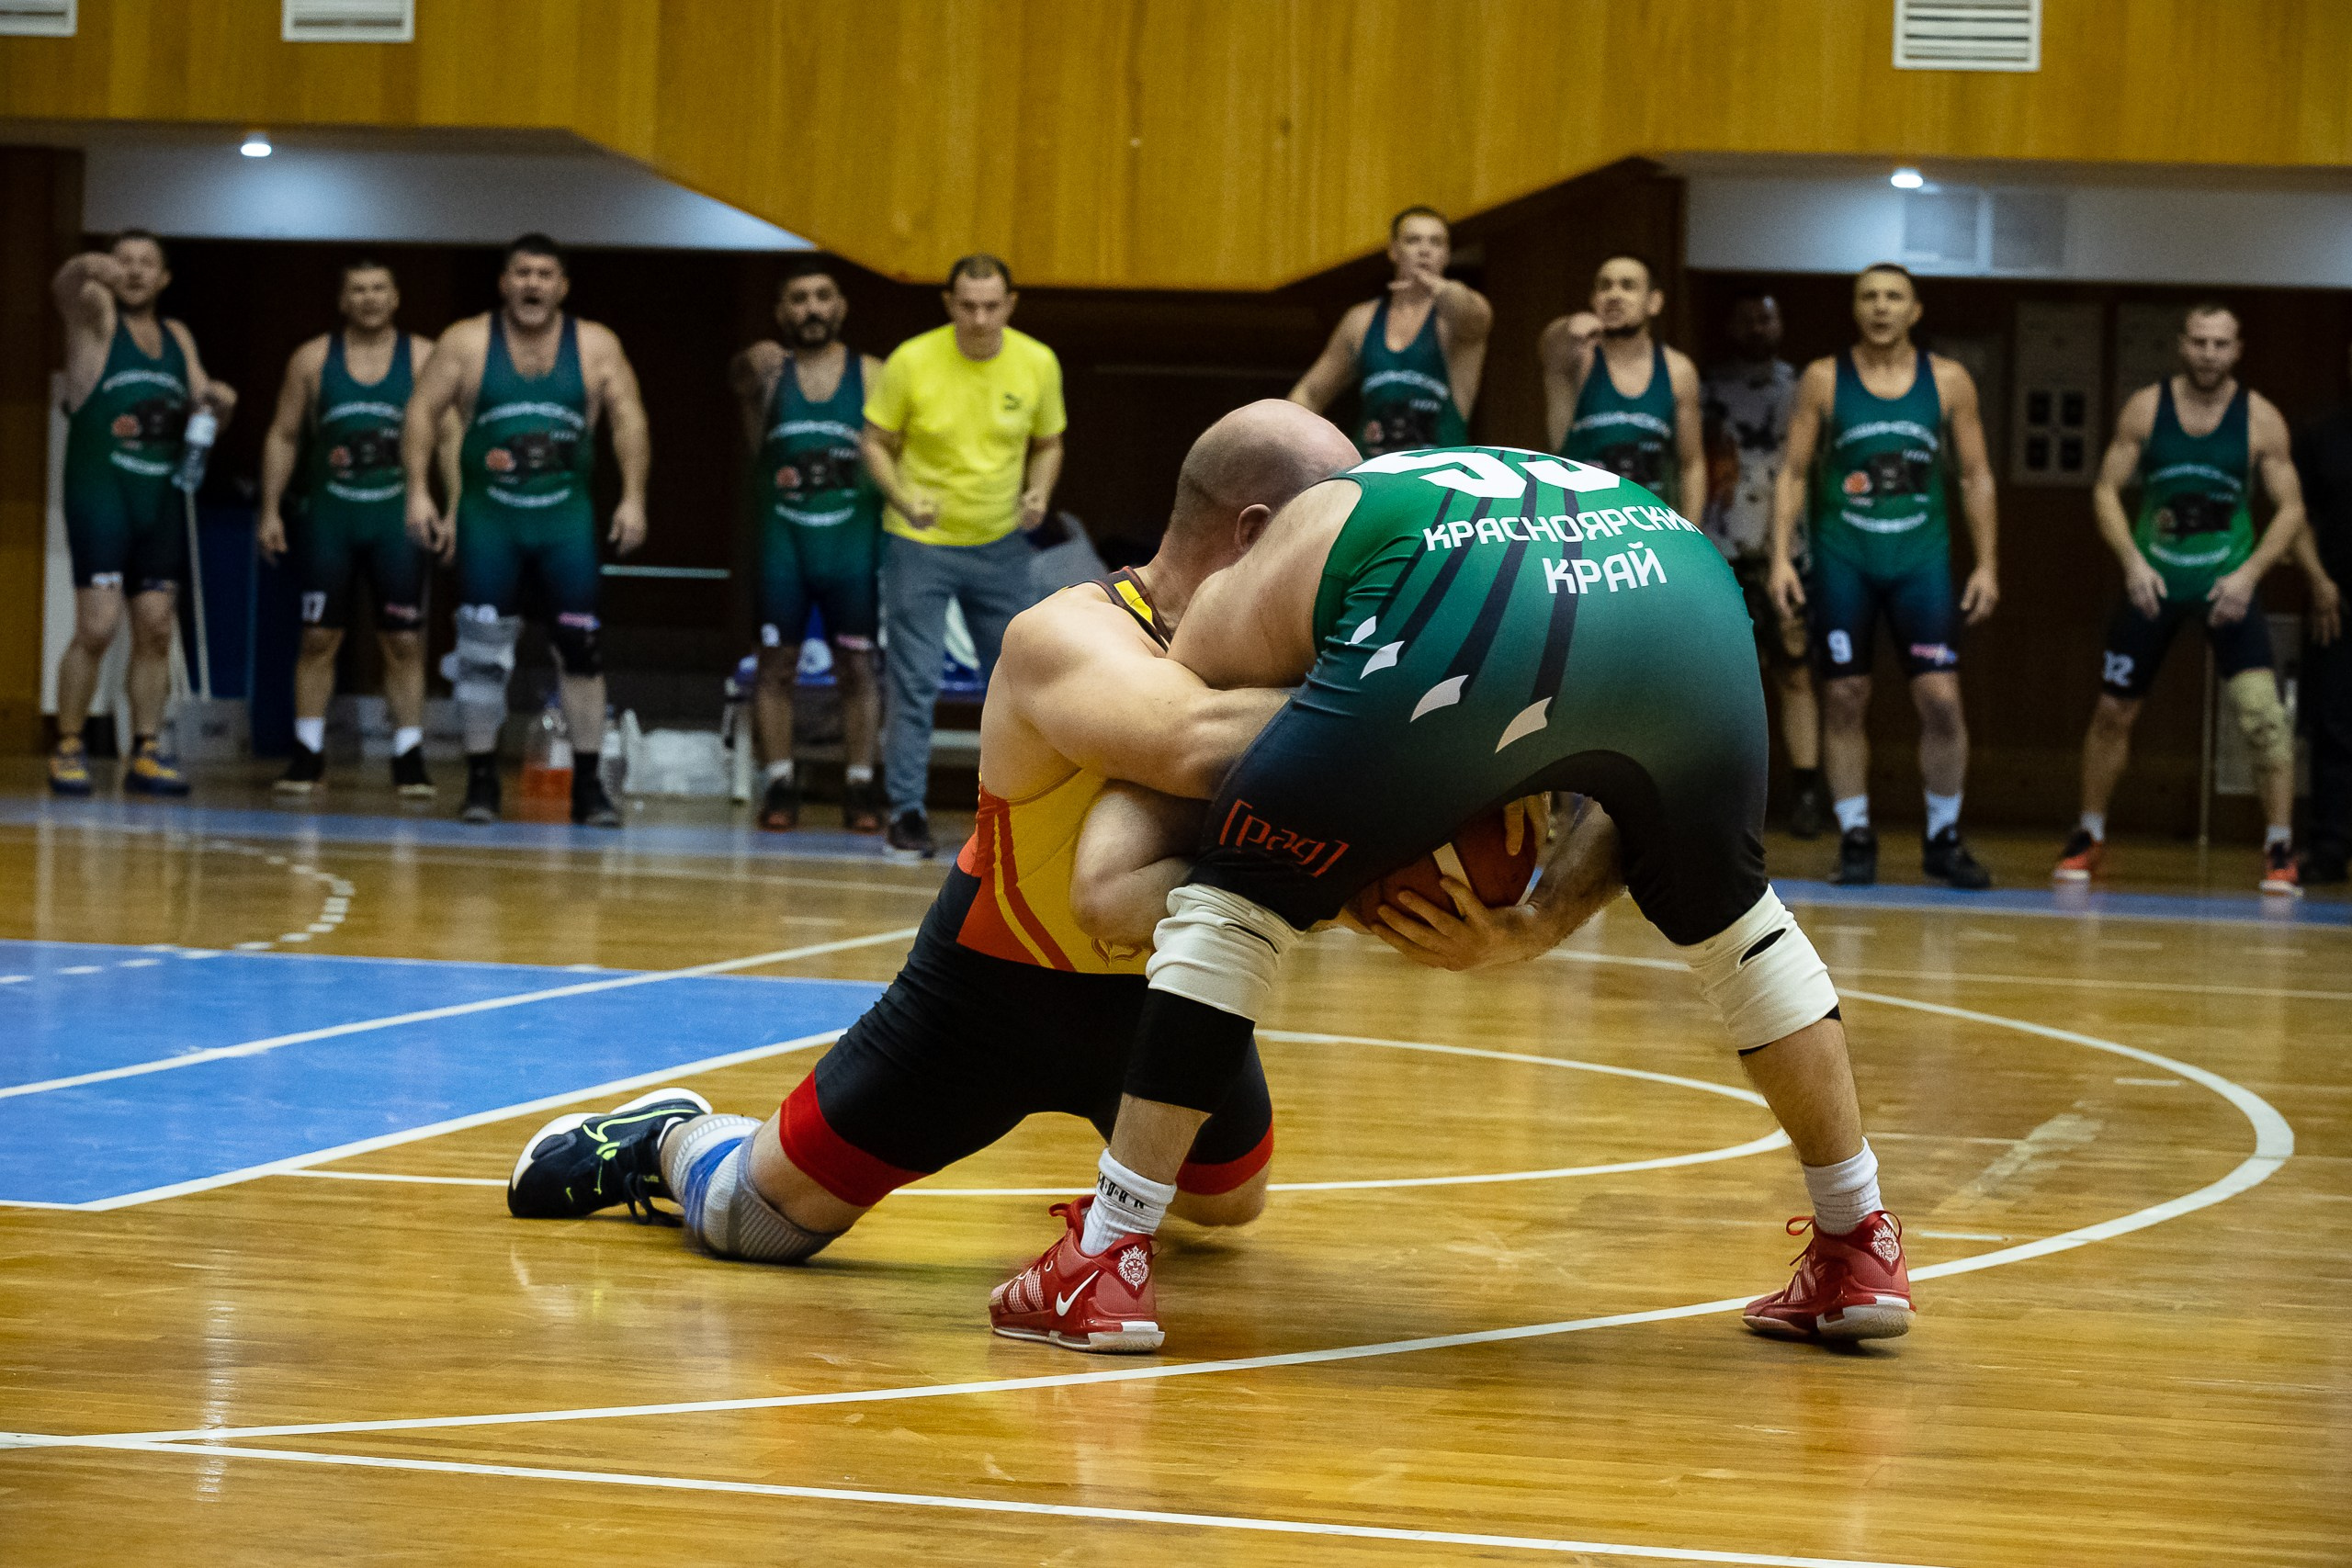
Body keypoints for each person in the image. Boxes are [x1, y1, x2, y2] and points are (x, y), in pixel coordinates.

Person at [995, 442, 1915, 1355]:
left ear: (1251, 532)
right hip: (1685, 586)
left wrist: (1333, 866)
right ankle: (1858, 1238)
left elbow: (1115, 882)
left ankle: (1108, 1255)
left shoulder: (1254, 577)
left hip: (1463, 605)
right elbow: (1628, 777)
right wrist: (1541, 917)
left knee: (1235, 896)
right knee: (1734, 918)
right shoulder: (1427, 487)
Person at [504, 403, 1366, 1317]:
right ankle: (667, 1138)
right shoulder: (1067, 635)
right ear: (1260, 533)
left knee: (1229, 1202)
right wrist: (1398, 701)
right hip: (993, 996)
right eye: (1338, 533)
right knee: (751, 1223)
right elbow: (1188, 740)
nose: (1356, 568)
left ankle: (1118, 1208)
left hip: (1168, 987)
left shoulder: (1297, 665)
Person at [2054, 305, 2312, 894]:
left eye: (2220, 344)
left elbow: (2292, 508)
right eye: (2198, 342)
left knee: (2264, 719)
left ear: (2237, 349)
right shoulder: (2147, 409)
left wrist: (2248, 575)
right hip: (2156, 586)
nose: (2208, 354)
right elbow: (2104, 490)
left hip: (2228, 585)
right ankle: (2088, 834)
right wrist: (2133, 562)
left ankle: (2279, 848)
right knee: (2112, 712)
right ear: (2181, 345)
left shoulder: (2260, 419)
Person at [401, 233, 650, 828]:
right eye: (521, 272)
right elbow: (419, 411)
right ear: (503, 281)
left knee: (582, 653)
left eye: (544, 274)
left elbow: (628, 419)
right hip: (492, 519)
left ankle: (588, 787)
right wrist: (417, 492)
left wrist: (635, 498)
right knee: (482, 653)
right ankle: (482, 779)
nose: (532, 283)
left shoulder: (594, 344)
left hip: (566, 520)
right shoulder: (465, 340)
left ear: (562, 285)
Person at [1768, 264, 1999, 889]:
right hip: (1846, 558)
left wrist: (1988, 563)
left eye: (1893, 297)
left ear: (1915, 310)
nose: (1880, 307)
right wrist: (1782, 556)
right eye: (1869, 297)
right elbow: (1791, 471)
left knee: (1941, 699)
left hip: (1920, 560)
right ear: (1855, 308)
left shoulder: (1949, 381)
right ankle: (1856, 834)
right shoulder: (1823, 377)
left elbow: (1976, 474)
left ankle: (1944, 836)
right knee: (1845, 695)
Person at [860, 255, 1065, 861]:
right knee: (914, 680)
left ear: (1011, 303)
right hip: (918, 542)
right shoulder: (911, 360)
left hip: (1000, 543)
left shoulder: (1037, 361)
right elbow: (873, 440)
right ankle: (906, 811)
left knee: (1013, 681)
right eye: (968, 305)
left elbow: (1049, 443)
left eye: (991, 305)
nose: (979, 317)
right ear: (949, 303)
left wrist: (1039, 493)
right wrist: (900, 494)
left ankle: (1017, 814)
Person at [48, 229, 237, 796]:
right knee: (98, 626)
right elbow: (63, 289)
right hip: (101, 494)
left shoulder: (178, 336)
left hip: (162, 498)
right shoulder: (94, 315)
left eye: (144, 263)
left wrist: (222, 406)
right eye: (122, 261)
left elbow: (205, 416)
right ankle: (68, 745)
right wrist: (87, 265)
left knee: (156, 630)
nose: (131, 272)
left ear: (164, 278)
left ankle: (147, 749)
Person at [256, 260, 441, 796]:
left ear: (396, 297)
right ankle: (307, 752)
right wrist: (270, 509)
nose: (368, 299)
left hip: (397, 519)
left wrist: (449, 508)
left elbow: (450, 436)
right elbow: (284, 435)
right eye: (357, 290)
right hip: (330, 517)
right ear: (342, 300)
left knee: (404, 640)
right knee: (318, 636)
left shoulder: (425, 357)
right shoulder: (313, 359)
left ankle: (409, 755)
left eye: (378, 289)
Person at [729, 260, 887, 832]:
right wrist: (747, 358)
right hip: (783, 546)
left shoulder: (872, 374)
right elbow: (737, 376)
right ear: (781, 313)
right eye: (798, 299)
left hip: (852, 545)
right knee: (775, 666)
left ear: (841, 306)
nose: (812, 309)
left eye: (823, 297)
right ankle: (779, 781)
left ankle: (861, 785)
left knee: (858, 666)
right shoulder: (768, 374)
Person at [1702, 289, 1826, 837]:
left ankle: (1806, 793)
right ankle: (1731, 796)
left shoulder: (1802, 386)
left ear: (1781, 325)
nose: (1758, 325)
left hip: (1788, 550)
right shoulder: (1707, 388)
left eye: (1767, 316)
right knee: (1734, 680)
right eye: (1748, 316)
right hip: (1720, 544)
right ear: (1732, 325)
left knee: (1796, 672)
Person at [1287, 206, 1493, 458]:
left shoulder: (1455, 319)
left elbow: (1474, 317)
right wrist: (1307, 453)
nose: (1424, 249)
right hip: (1374, 472)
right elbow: (1308, 394)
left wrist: (1438, 287)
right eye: (1413, 240)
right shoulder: (1361, 320)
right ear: (1394, 250)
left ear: (1448, 254)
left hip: (1440, 473)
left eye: (1436, 242)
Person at [1541, 254, 1707, 513]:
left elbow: (1692, 464)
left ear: (1654, 302)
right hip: (1578, 527)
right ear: (1593, 300)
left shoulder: (1678, 370)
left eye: (1627, 286)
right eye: (1604, 286)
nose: (1614, 295)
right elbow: (1551, 345)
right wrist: (1568, 326)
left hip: (1650, 528)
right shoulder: (1576, 359)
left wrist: (1692, 534)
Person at [2291, 344, 2352, 886]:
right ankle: (2330, 845)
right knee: (2331, 725)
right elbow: (2298, 516)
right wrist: (2317, 582)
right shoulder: (2322, 434)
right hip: (2336, 600)